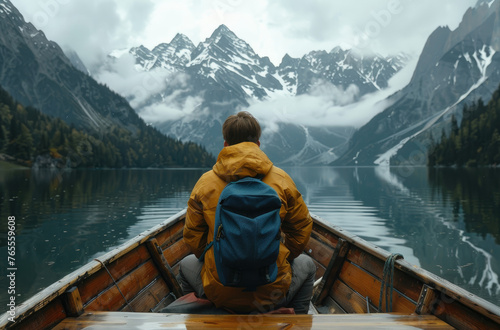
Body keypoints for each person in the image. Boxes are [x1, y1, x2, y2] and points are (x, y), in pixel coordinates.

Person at [179, 111, 315, 314]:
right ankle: (296, 322)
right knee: (307, 263)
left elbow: (192, 237)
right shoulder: (281, 179)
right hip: (271, 294)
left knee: (185, 263)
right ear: (258, 144)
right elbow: (301, 230)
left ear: (225, 144)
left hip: (220, 292)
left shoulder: (205, 183)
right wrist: (281, 256)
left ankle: (207, 316)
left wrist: (217, 255)